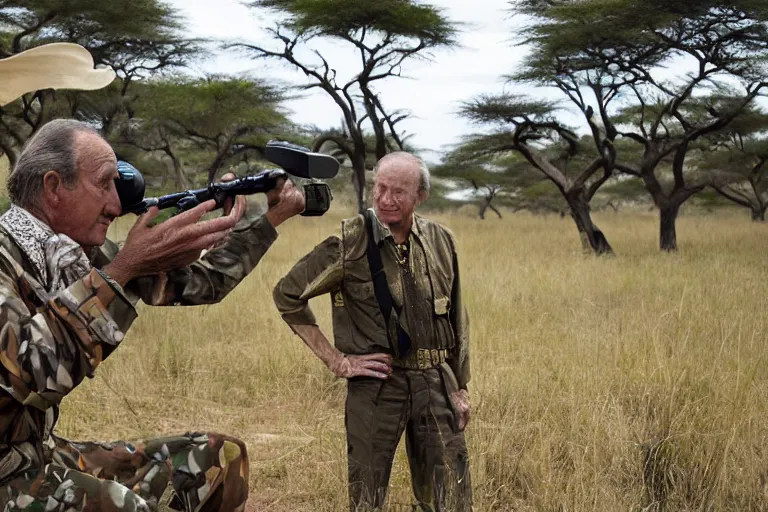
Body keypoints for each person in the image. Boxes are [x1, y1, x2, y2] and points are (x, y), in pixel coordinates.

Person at [0, 44, 305, 512]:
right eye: (104, 184)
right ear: (53, 187)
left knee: (216, 459)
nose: (116, 205)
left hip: (33, 455)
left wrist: (267, 221)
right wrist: (124, 270)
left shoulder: (73, 255)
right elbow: (33, 375)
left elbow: (202, 284)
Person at [273, 152, 472, 511]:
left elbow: (458, 316)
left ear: (420, 196)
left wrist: (460, 386)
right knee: (367, 496)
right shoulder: (348, 243)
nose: (385, 200)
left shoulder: (442, 240)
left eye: (398, 192)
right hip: (378, 385)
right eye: (380, 188)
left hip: (437, 383)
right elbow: (287, 295)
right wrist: (339, 362)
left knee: (451, 497)